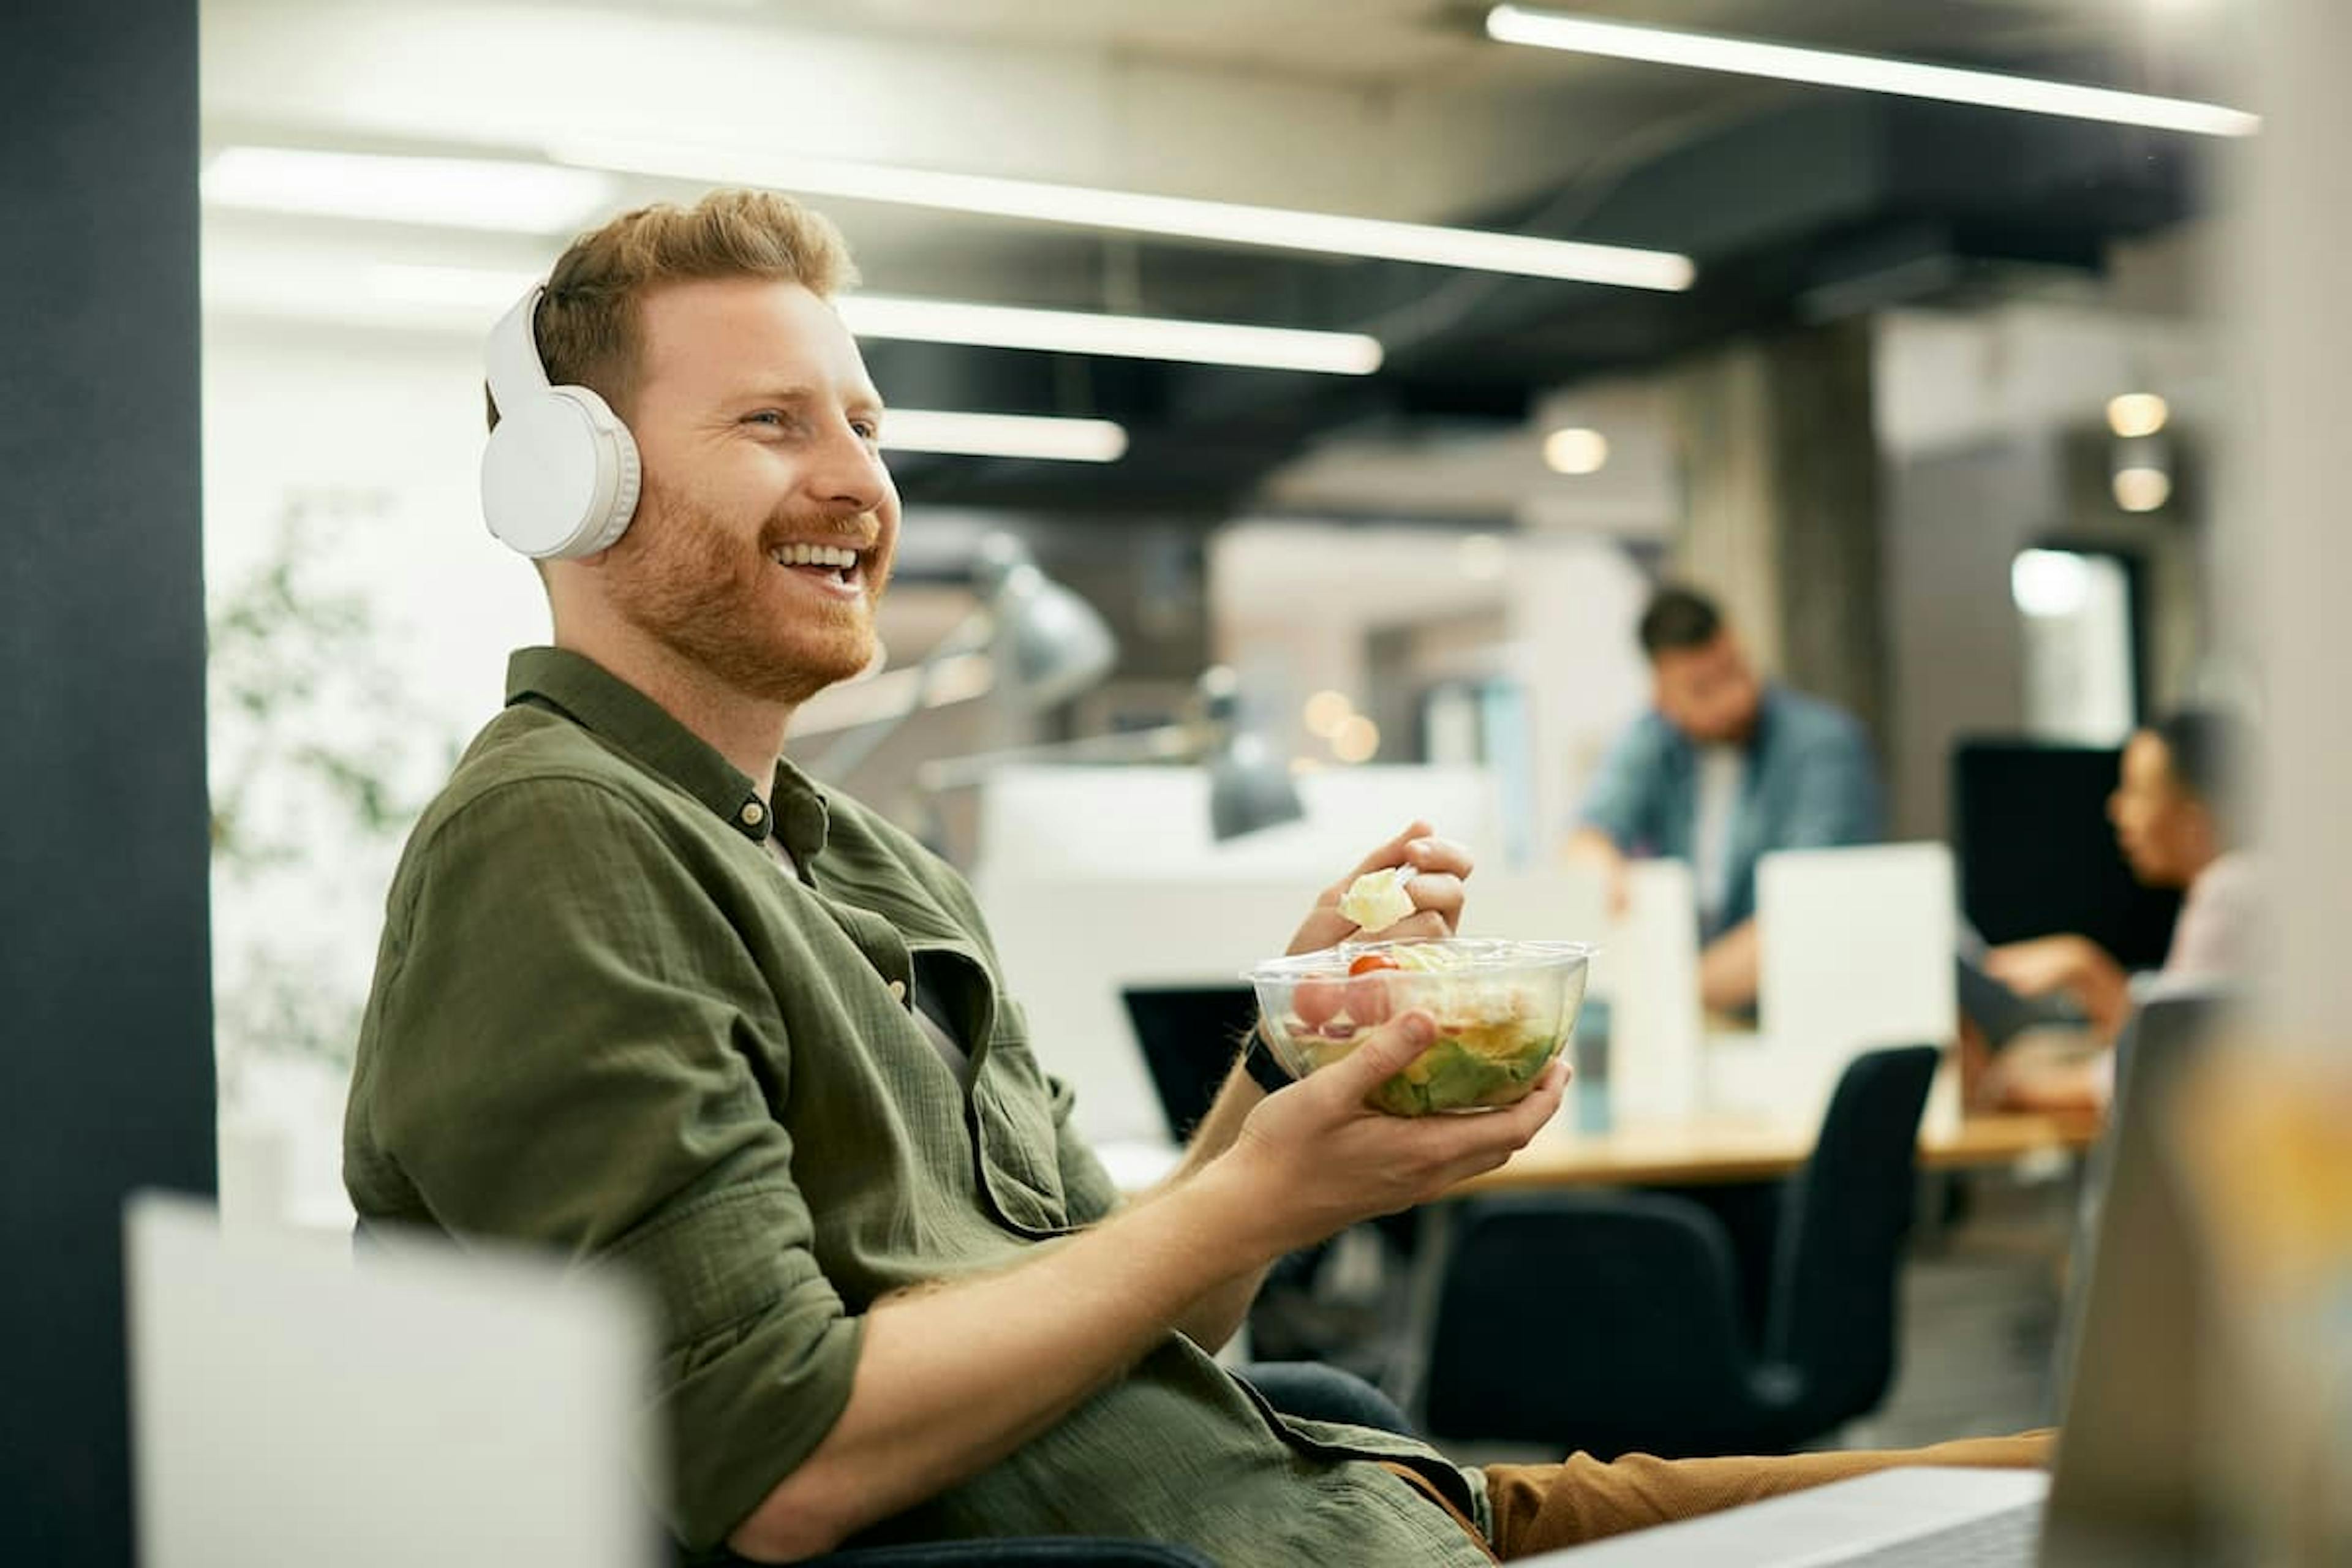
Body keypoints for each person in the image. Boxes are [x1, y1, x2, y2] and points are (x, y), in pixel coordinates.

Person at [343, 190, 2043, 1566]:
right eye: (773, 425)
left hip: (1381, 1507)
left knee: (2095, 1482)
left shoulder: (864, 862)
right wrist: (1260, 1191)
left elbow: (1148, 1301)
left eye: (863, 423)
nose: (859, 481)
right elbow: (768, 1462)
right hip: (1272, 1551)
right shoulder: (558, 841)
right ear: (571, 485)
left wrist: (1282, 1067)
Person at [1567, 586, 1882, 1013]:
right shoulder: (1654, 742)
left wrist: (1668, 998)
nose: (1732, 698)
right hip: (1700, 1006)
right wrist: (1601, 872)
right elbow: (1589, 837)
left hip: (1804, 1001)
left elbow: (1806, 907)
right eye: (1701, 689)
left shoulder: (1823, 745)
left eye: (1733, 671)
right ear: (1662, 694)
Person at [1983, 709, 2258, 1111]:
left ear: (2194, 820)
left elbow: (2161, 1071)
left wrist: (2008, 1089)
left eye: (2136, 792)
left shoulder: (2229, 891)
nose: (2116, 809)